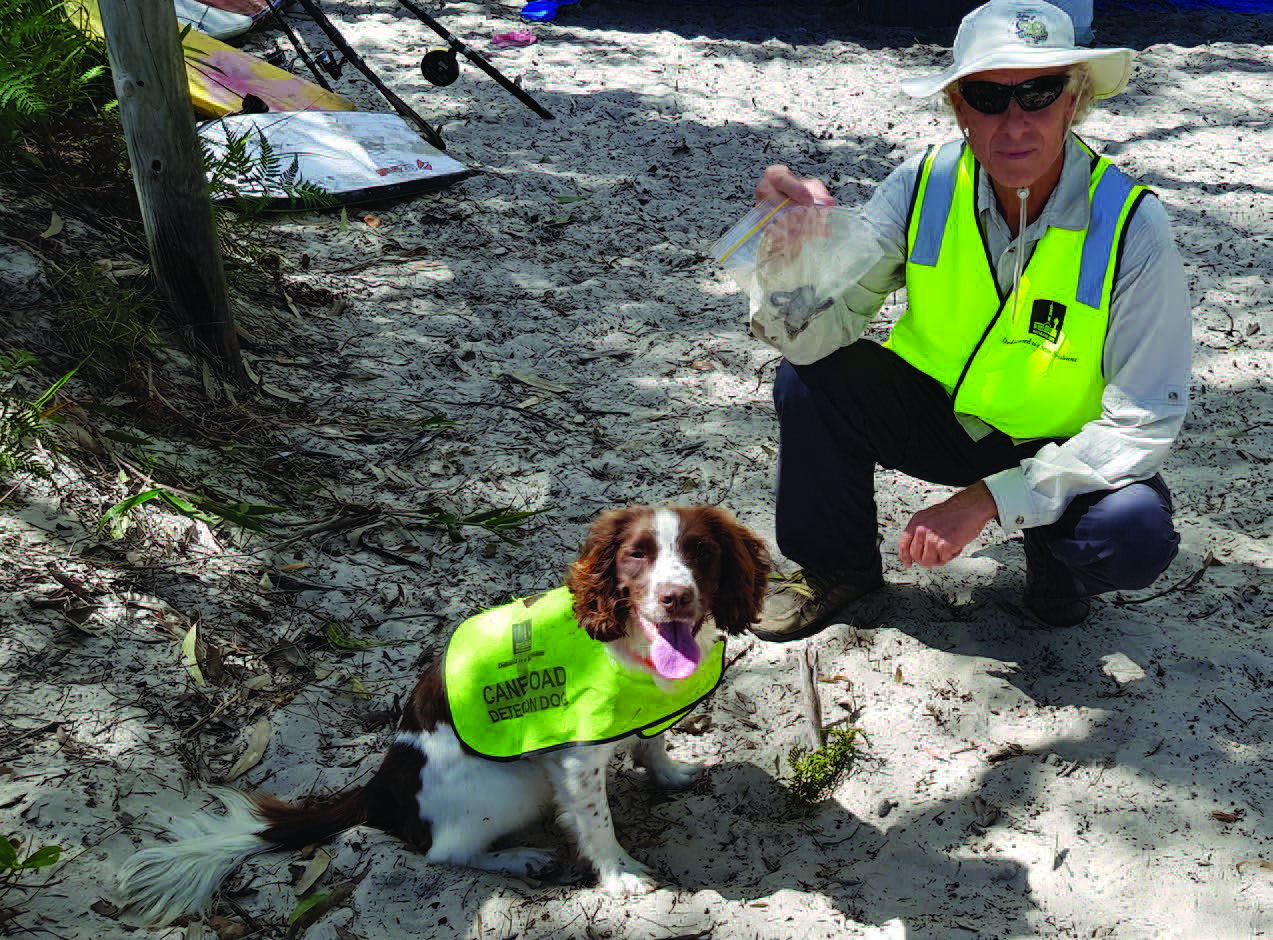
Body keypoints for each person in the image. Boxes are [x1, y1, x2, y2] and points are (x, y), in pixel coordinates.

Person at [749, 0, 1191, 642]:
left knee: (1131, 533)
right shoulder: (919, 184)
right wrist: (791, 262)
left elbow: (1146, 418)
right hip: (938, 417)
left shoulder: (1132, 225)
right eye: (987, 96)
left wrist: (988, 501)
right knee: (807, 379)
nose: (1015, 122)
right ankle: (835, 570)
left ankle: (1055, 560)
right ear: (959, 109)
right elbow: (817, 333)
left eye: (1039, 92)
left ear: (1074, 102)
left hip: (1058, 446)